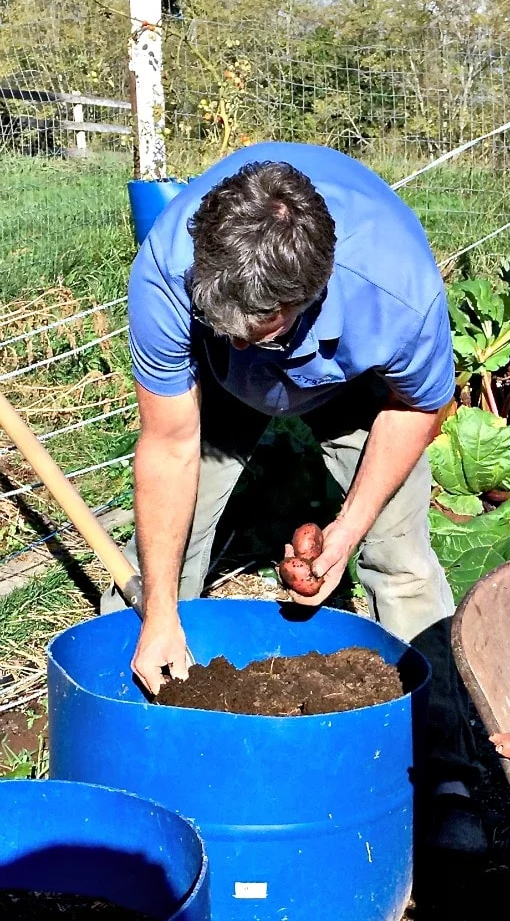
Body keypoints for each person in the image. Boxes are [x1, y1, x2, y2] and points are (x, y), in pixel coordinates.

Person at [101, 142, 484, 853]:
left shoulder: (394, 290)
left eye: (259, 329)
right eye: (224, 323)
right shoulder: (167, 269)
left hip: (359, 386)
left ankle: (446, 776)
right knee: (158, 568)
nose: (241, 339)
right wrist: (159, 611)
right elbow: (170, 443)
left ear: (309, 292)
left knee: (399, 561)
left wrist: (346, 532)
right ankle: (139, 737)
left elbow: (419, 407)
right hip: (212, 385)